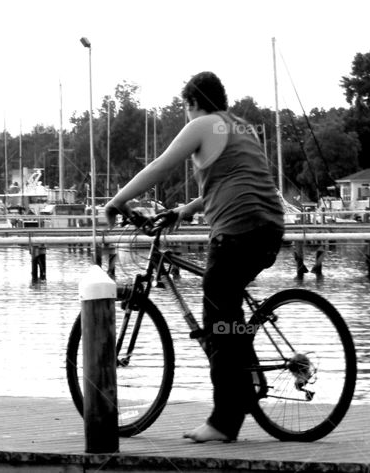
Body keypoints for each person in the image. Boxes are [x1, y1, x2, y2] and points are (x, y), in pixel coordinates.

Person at [104, 71, 284, 443]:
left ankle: (223, 422)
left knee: (217, 320)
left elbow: (161, 166)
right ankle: (245, 382)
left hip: (237, 230)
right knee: (228, 315)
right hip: (269, 229)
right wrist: (185, 210)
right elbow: (236, 177)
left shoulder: (202, 123)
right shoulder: (241, 128)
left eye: (186, 109)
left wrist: (118, 200)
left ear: (191, 103)